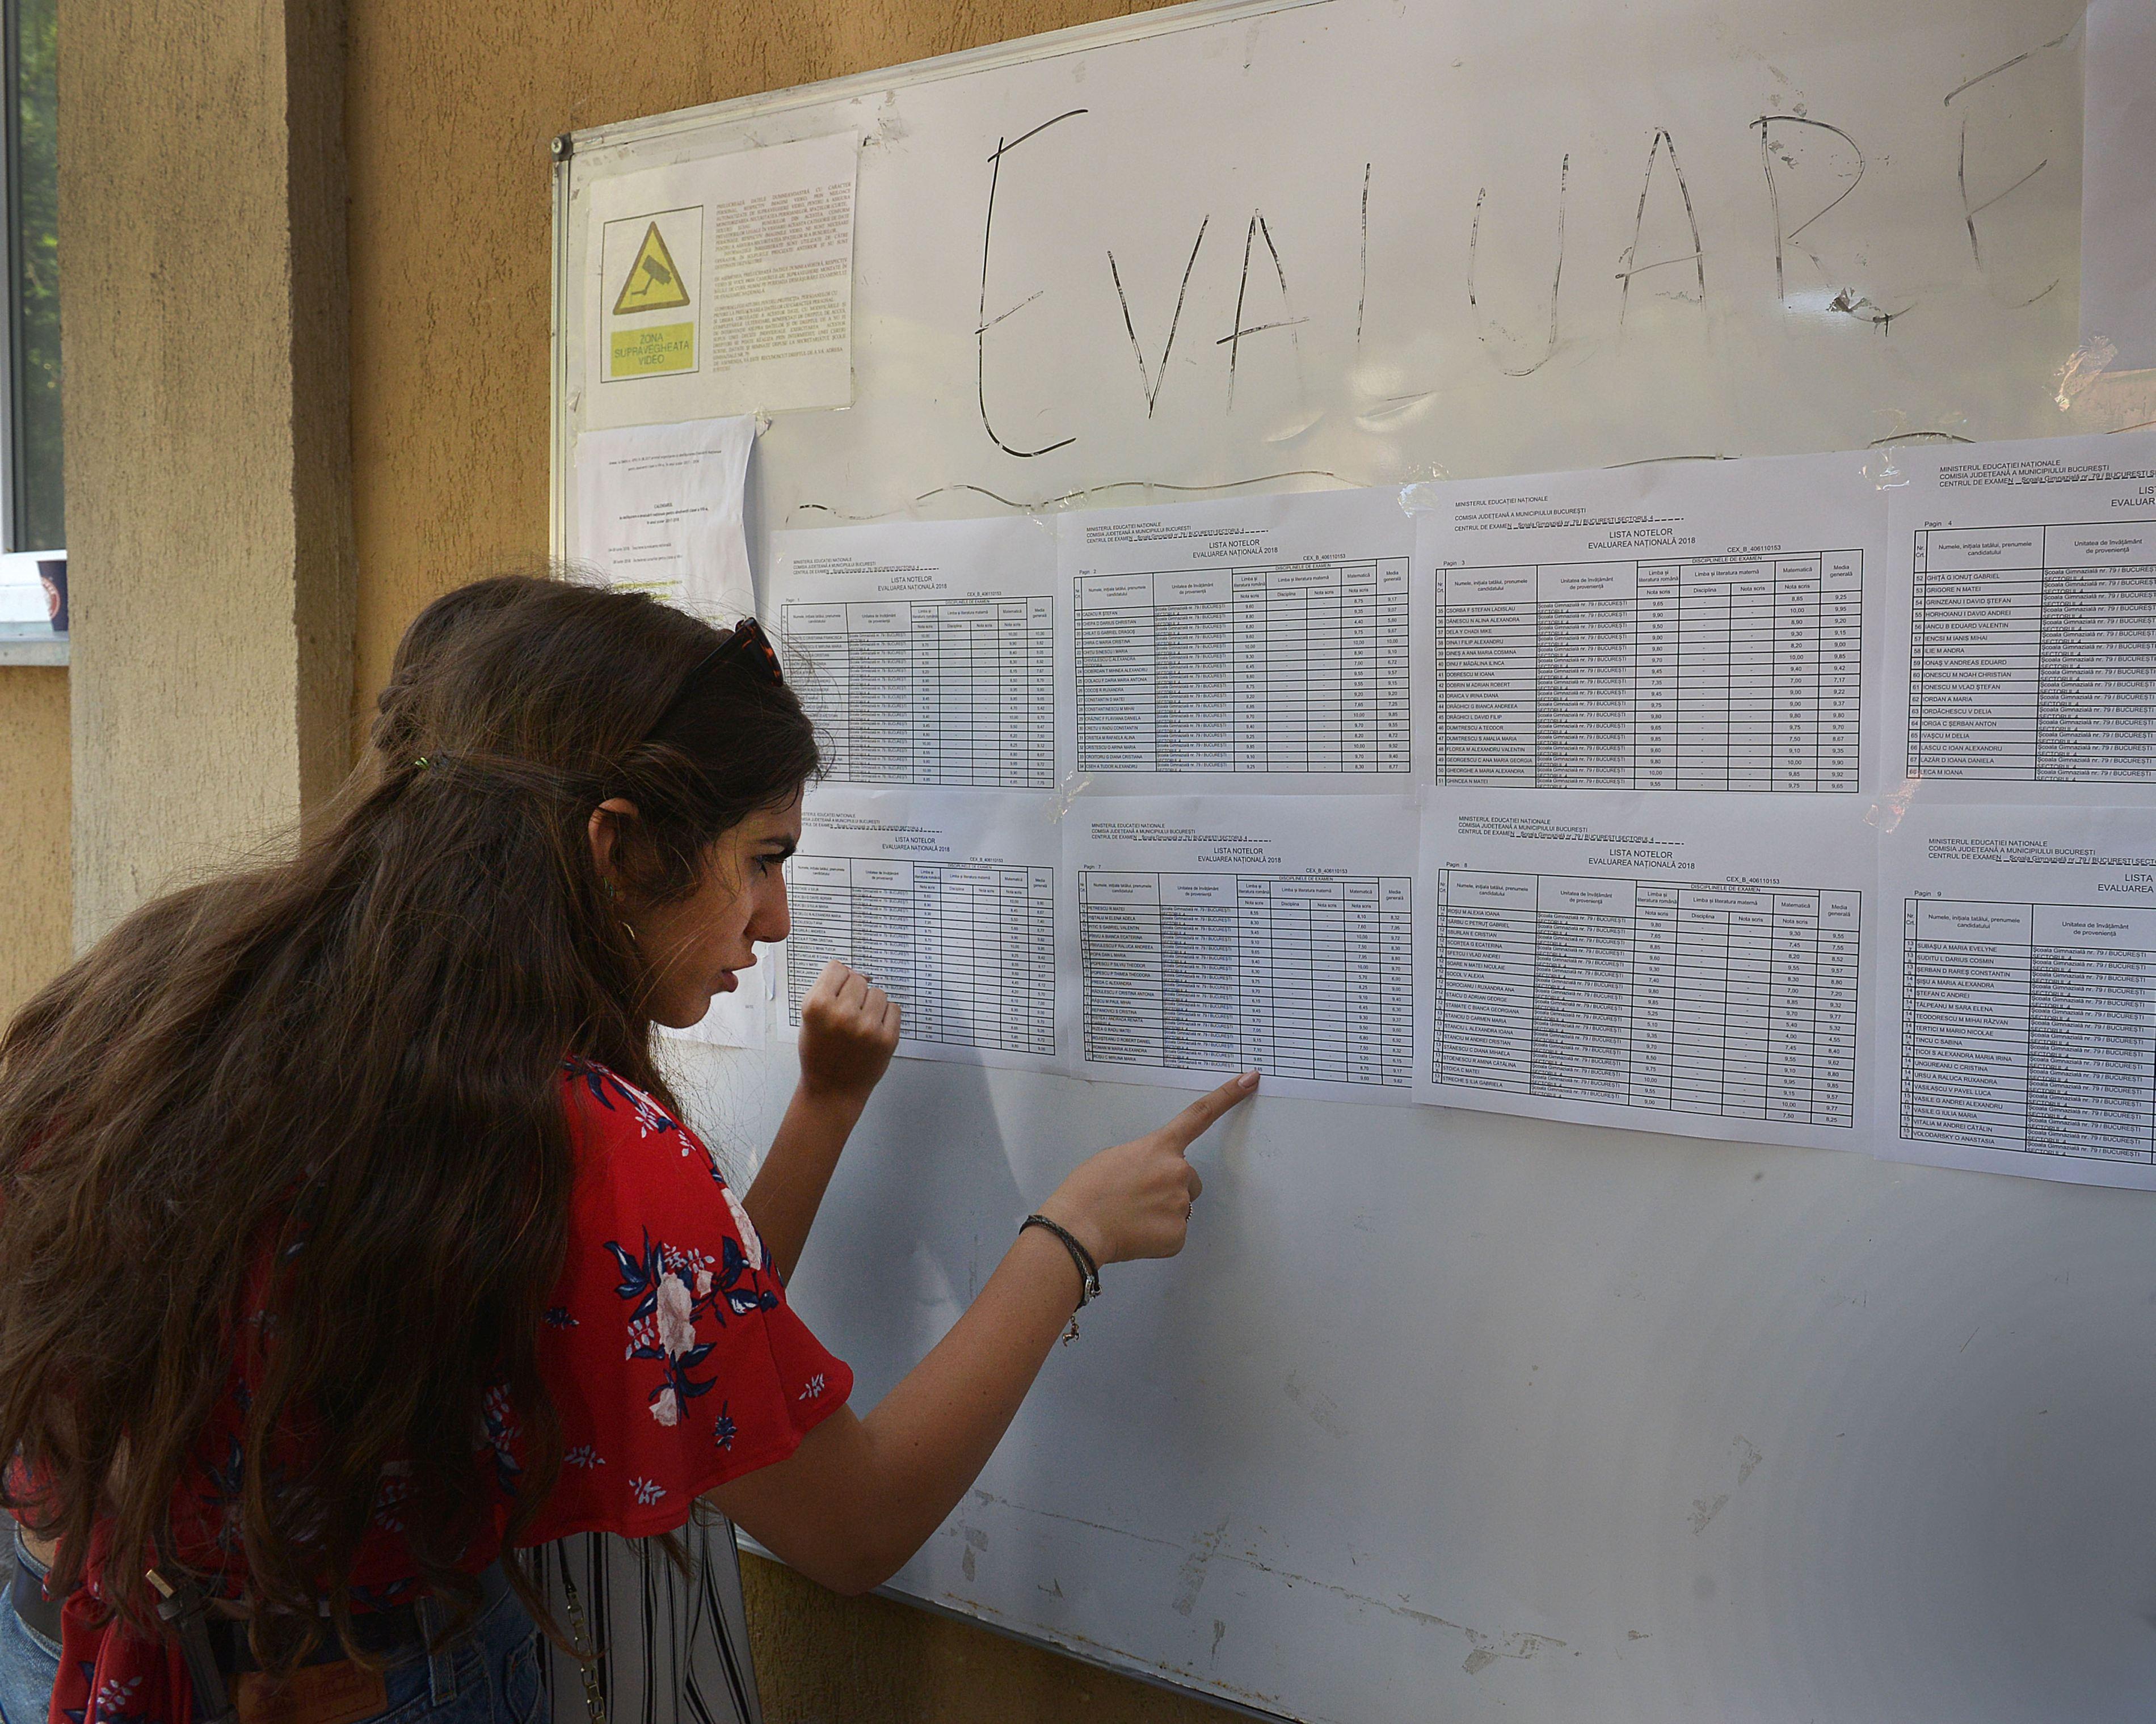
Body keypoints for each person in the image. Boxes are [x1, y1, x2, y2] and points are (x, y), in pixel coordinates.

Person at [0, 574, 1254, 1724]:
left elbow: (660, 1336)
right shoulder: (567, 1133)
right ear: (614, 845)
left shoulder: (170, 994)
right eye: (760, 860)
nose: (776, 919)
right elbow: (853, 1524)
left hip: (82, 1646)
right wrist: (1068, 1239)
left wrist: (822, 1108)